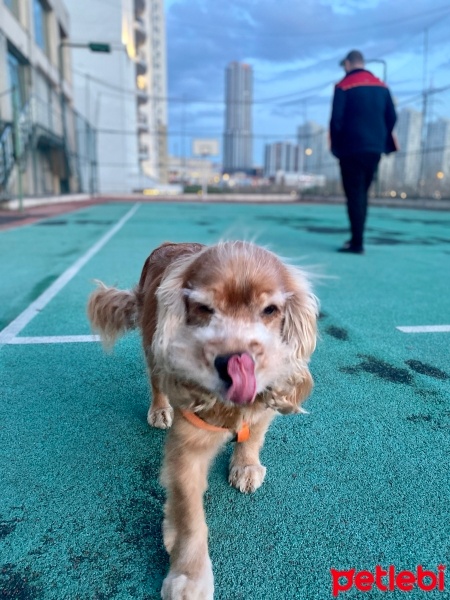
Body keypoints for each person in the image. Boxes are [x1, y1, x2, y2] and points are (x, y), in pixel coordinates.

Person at [330, 49, 397, 254]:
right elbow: (392, 117)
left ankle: (356, 242)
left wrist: (336, 147)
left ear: (349, 64)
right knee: (363, 194)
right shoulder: (382, 87)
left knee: (354, 194)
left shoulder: (343, 87)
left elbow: (336, 121)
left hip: (350, 149)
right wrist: (379, 138)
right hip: (373, 149)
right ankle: (357, 239)